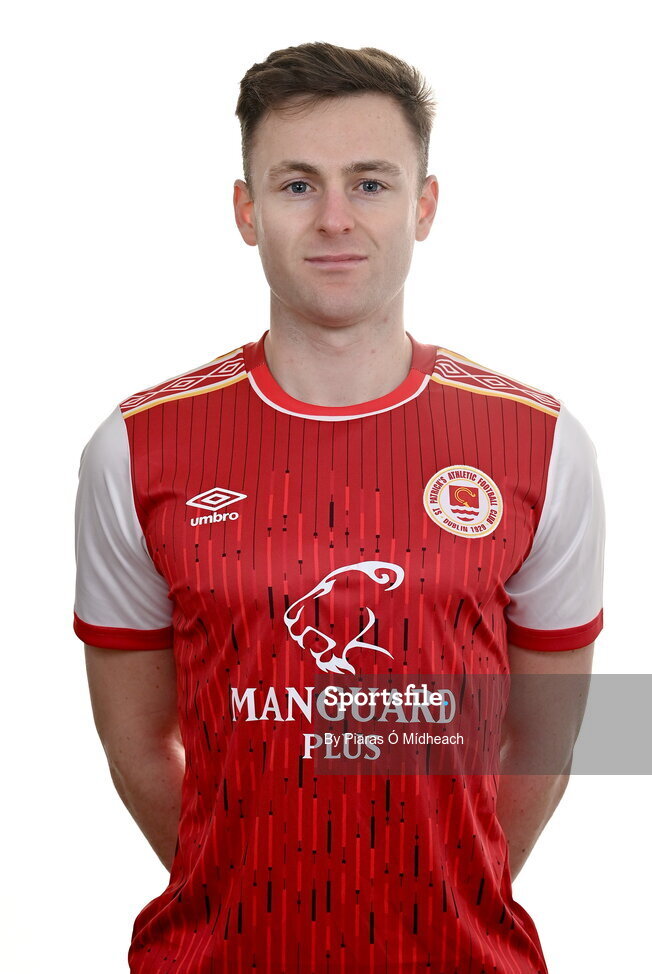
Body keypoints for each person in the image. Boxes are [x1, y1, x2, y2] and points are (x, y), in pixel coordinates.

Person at [73, 41, 605, 974]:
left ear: (422, 206)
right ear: (245, 210)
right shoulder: (134, 448)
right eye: (295, 185)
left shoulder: (542, 445)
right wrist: (249, 892)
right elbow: (136, 746)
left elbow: (541, 747)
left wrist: (441, 896)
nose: (332, 221)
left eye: (368, 184)